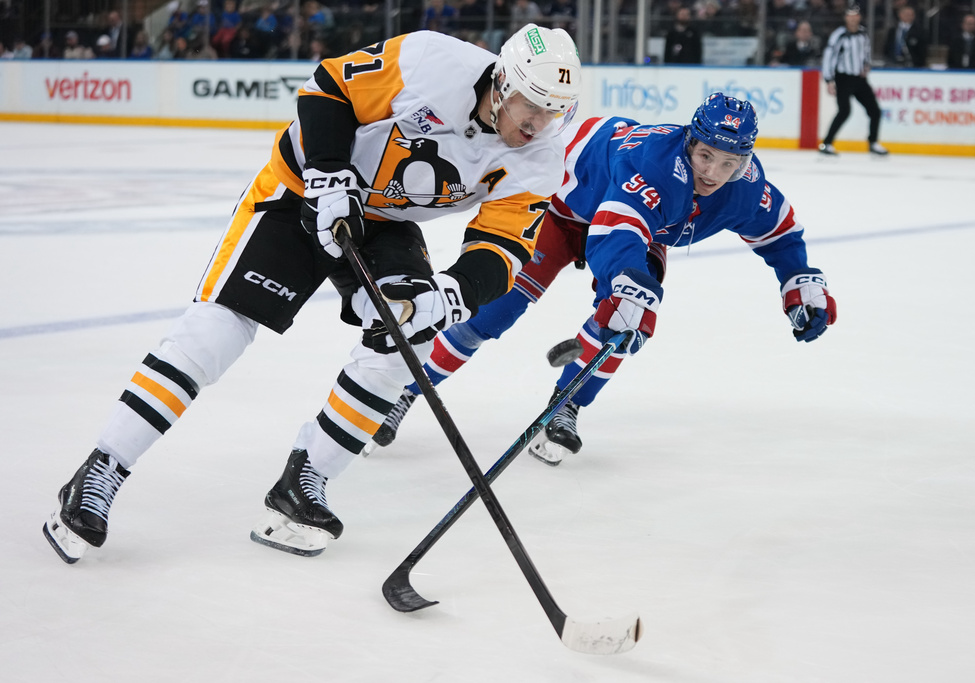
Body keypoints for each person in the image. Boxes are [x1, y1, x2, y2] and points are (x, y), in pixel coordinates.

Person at [42, 24, 583, 563]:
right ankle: (101, 470)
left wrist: (454, 292)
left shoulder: (539, 156)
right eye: (530, 106)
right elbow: (329, 87)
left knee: (407, 334)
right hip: (302, 185)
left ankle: (304, 482)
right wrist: (329, 174)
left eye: (553, 113)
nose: (538, 125)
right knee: (216, 332)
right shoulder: (431, 61)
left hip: (384, 222)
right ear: (502, 81)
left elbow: (504, 248)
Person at [368, 93, 838, 465]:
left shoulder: (746, 189)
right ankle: (406, 391)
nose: (713, 173)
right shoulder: (656, 164)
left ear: (746, 162)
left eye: (728, 164)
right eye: (705, 156)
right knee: (495, 308)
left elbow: (780, 234)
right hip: (563, 205)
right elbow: (614, 230)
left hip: (640, 225)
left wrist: (798, 280)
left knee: (630, 321)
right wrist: (625, 279)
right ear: (690, 142)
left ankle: (565, 406)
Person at [819, 6, 887, 156]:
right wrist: (829, 79)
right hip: (843, 78)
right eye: (849, 16)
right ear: (845, 18)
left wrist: (866, 65)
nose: (853, 19)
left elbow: (866, 52)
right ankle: (827, 143)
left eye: (855, 15)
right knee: (844, 111)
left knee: (875, 111)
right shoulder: (839, 35)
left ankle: (873, 143)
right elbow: (829, 57)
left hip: (859, 78)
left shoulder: (863, 34)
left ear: (859, 17)